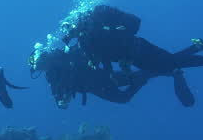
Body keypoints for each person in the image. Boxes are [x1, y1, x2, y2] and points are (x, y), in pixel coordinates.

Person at [67, 5, 203, 107]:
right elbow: (104, 61)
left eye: (73, 27)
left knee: (170, 66)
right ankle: (199, 49)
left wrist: (118, 33)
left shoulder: (100, 18)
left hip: (140, 48)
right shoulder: (85, 43)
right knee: (168, 65)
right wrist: (116, 73)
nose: (73, 32)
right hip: (134, 59)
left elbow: (134, 22)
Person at [29, 43, 157, 108]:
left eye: (40, 66)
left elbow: (86, 50)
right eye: (39, 67)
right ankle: (158, 72)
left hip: (101, 78)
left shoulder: (66, 56)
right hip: (95, 86)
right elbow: (56, 93)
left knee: (124, 96)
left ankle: (160, 71)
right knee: (125, 95)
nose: (42, 69)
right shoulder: (51, 75)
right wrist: (61, 102)